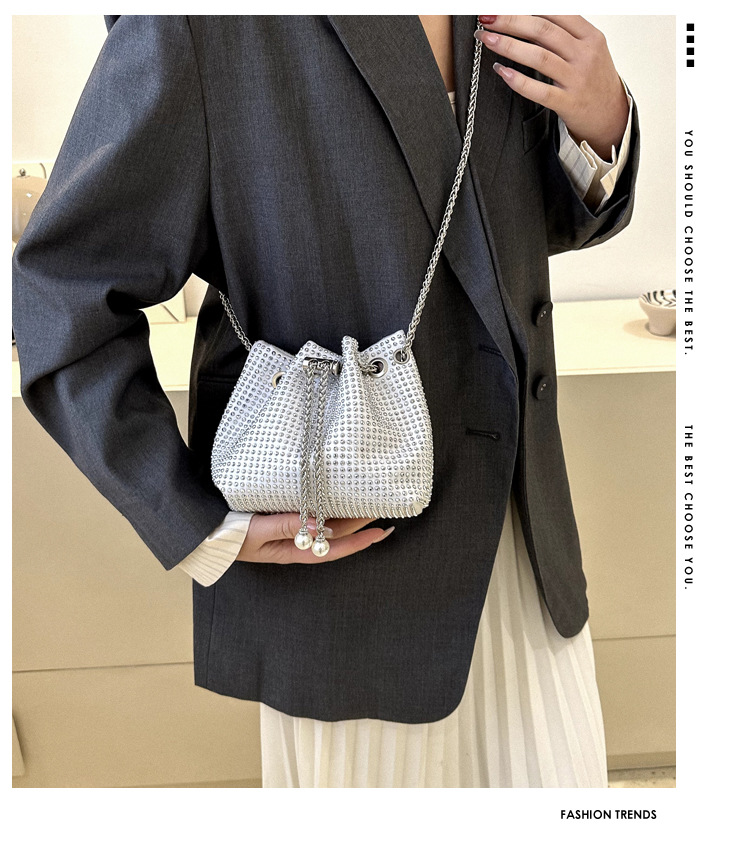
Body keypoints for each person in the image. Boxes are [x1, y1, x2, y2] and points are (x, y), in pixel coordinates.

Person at [12, 15, 639, 787]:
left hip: (529, 563)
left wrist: (601, 123)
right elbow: (62, 293)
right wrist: (195, 522)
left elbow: (492, 235)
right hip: (349, 581)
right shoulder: (201, 24)